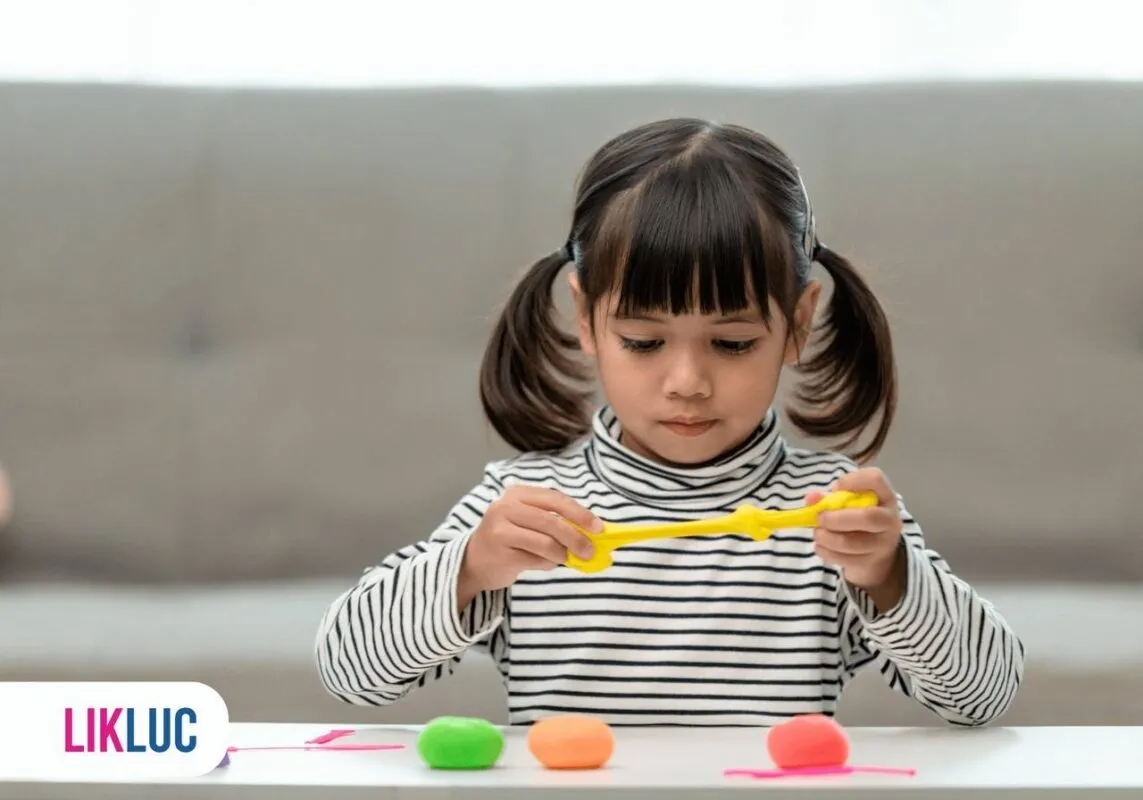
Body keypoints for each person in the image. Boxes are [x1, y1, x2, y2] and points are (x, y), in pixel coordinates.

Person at [315, 118, 1024, 727]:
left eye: (733, 343)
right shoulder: (525, 506)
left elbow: (983, 697)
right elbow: (348, 670)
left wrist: (890, 576)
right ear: (585, 317)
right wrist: (470, 568)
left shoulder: (831, 513)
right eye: (644, 341)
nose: (687, 382)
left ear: (798, 323)